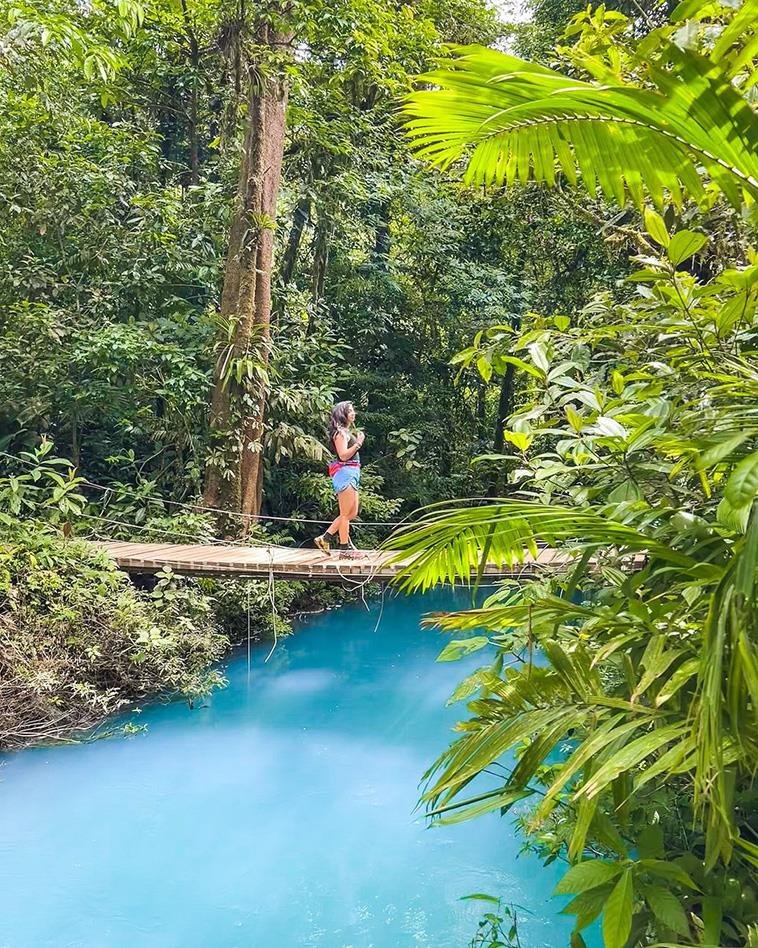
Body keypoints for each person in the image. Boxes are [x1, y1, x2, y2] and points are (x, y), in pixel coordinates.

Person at [314, 401, 365, 558]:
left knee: (352, 513)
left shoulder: (346, 432)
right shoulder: (340, 433)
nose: (353, 413)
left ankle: (326, 538)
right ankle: (345, 548)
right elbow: (343, 455)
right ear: (342, 414)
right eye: (350, 411)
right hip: (345, 472)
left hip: (353, 471)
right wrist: (357, 444)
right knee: (345, 513)